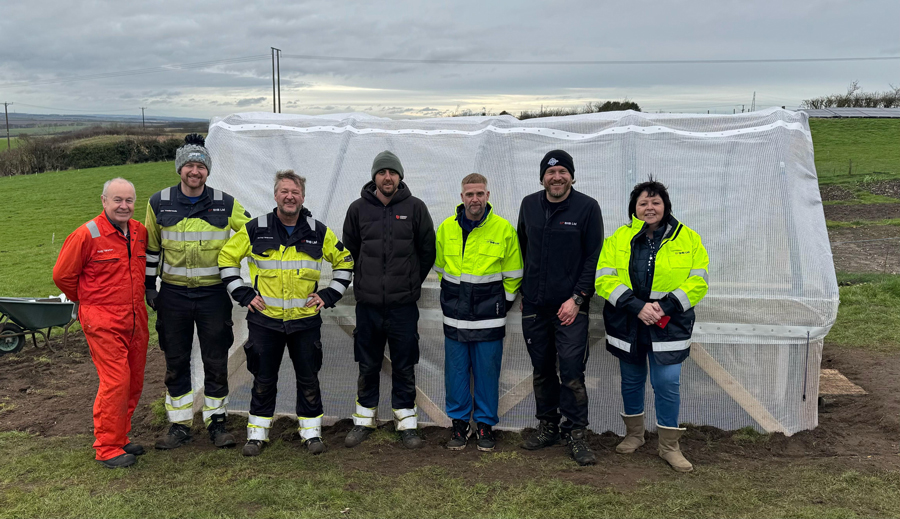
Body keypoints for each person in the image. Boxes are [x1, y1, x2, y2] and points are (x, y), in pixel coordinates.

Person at [218, 170, 353, 456]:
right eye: (284, 191)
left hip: (305, 323)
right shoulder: (256, 228)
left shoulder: (318, 231)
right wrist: (242, 293)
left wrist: (329, 294)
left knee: (308, 378)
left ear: (303, 197)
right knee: (264, 379)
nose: (290, 196)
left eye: (295, 192)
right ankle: (256, 435)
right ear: (276, 194)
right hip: (264, 322)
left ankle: (311, 434)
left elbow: (345, 261)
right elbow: (227, 257)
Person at [145, 134, 251, 450]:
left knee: (215, 359)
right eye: (189, 165)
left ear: (207, 171)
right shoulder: (158, 202)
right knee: (176, 360)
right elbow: (150, 249)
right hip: (173, 296)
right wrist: (150, 286)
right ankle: (179, 426)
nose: (195, 171)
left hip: (213, 297)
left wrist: (236, 268)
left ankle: (217, 423)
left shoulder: (225, 203)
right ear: (180, 169)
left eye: (200, 165)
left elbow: (252, 233)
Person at [594, 179, 709, 472]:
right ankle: (635, 435)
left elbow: (699, 282)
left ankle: (669, 446)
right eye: (643, 203)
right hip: (628, 321)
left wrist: (664, 306)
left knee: (667, 382)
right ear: (634, 207)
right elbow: (604, 279)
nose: (649, 208)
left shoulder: (689, 239)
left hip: (669, 323)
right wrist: (637, 307)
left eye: (655, 202)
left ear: (665, 206)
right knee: (631, 380)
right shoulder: (618, 238)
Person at [341, 150, 436, 449]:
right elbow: (350, 252)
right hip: (367, 306)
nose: (387, 177)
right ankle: (363, 422)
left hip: (403, 307)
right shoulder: (357, 209)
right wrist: (367, 284)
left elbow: (427, 252)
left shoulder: (415, 208)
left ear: (400, 177)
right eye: (382, 172)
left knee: (404, 364)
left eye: (392, 172)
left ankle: (406, 424)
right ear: (374, 177)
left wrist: (409, 284)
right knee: (367, 364)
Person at [53, 178, 149, 469]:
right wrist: (89, 300)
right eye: (117, 200)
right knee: (116, 381)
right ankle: (107, 446)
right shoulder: (87, 234)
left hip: (135, 316)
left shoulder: (139, 231)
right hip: (103, 319)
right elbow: (62, 276)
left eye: (129, 200)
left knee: (133, 380)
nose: (124, 206)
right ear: (104, 201)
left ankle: (120, 436)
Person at [517, 150, 604, 466]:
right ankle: (548, 427)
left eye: (563, 172)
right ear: (542, 177)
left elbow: (595, 257)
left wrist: (578, 298)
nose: (557, 177)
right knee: (542, 371)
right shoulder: (529, 205)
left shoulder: (587, 208)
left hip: (571, 308)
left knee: (570, 372)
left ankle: (576, 434)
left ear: (571, 176)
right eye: (550, 173)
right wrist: (527, 294)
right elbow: (524, 249)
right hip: (536, 308)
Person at [434, 173, 523, 452]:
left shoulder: (503, 229)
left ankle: (484, 425)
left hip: (490, 317)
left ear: (487, 195)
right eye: (470, 194)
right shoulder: (446, 228)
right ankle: (459, 425)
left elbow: (514, 274)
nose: (475, 199)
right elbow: (440, 269)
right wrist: (453, 299)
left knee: (487, 372)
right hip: (455, 317)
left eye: (480, 194)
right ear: (461, 197)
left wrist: (502, 304)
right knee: (456, 373)